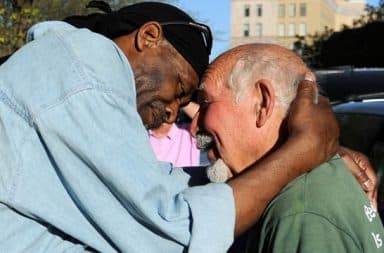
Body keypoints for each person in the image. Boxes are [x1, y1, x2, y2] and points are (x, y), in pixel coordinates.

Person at [0, 2, 367, 252]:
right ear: (148, 37)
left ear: (263, 103)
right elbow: (173, 229)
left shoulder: (70, 74)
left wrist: (306, 153)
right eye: (179, 89)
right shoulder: (84, 69)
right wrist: (302, 150)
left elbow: (160, 187)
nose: (174, 113)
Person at [193, 43, 384, 252]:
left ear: (262, 103)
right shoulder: (302, 195)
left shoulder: (300, 212)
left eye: (205, 102)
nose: (194, 126)